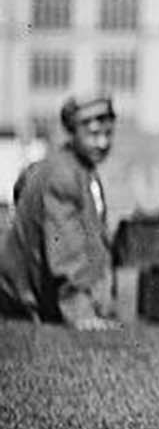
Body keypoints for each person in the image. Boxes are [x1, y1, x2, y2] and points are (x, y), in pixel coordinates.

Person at [0, 94, 119, 329]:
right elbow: (67, 250)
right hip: (21, 305)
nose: (103, 143)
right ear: (73, 133)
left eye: (107, 134)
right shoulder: (62, 174)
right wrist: (81, 313)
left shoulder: (80, 170)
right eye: (94, 134)